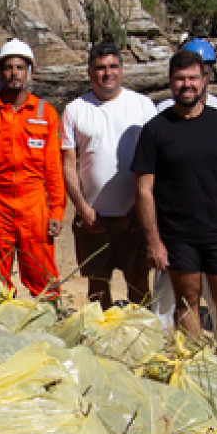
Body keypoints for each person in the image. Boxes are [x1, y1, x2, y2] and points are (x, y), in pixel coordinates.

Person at [132, 50, 217, 338]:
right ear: (170, 82)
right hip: (178, 236)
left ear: (205, 79)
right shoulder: (155, 130)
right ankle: (196, 367)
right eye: (179, 79)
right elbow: (144, 190)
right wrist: (154, 242)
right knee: (186, 306)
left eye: (193, 78)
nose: (187, 85)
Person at [0, 39, 64, 298]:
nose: (14, 73)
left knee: (42, 275)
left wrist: (57, 211)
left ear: (30, 71)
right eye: (8, 67)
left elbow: (53, 168)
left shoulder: (46, 113)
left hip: (34, 205)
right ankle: (2, 330)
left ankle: (49, 324)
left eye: (20, 67)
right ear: (0, 72)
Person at [61, 42, 155, 306]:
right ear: (90, 73)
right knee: (97, 281)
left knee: (138, 279)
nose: (107, 73)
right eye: (100, 68)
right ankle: (100, 336)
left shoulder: (143, 106)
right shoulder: (75, 109)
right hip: (94, 216)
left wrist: (140, 209)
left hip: (134, 215)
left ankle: (141, 332)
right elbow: (68, 164)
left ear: (122, 70)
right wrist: (81, 208)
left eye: (113, 66)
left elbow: (155, 162)